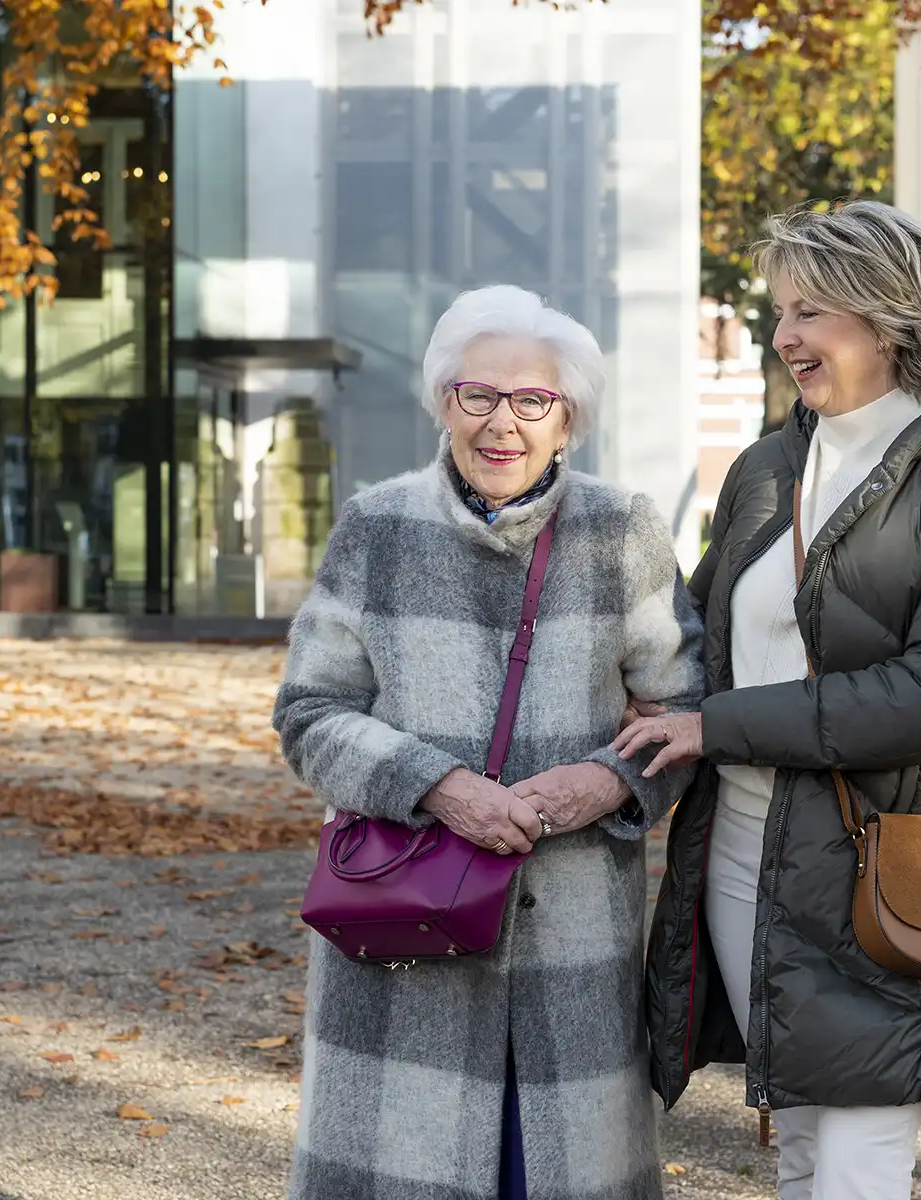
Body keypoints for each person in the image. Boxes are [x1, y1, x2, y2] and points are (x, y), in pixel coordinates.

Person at [617, 201, 921, 1200]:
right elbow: (698, 630)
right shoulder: (770, 468)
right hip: (743, 849)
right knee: (801, 1134)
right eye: (781, 312)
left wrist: (714, 728)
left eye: (810, 312)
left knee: (860, 1143)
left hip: (888, 852)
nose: (784, 336)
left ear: (888, 317)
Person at [272, 283, 705, 1200]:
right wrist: (437, 785)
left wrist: (602, 781)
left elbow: (683, 711)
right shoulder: (377, 528)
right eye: (480, 395)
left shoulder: (621, 531)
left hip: (571, 930)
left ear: (567, 421)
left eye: (532, 401)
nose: (502, 422)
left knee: (556, 1166)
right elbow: (309, 715)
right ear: (445, 402)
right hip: (404, 933)